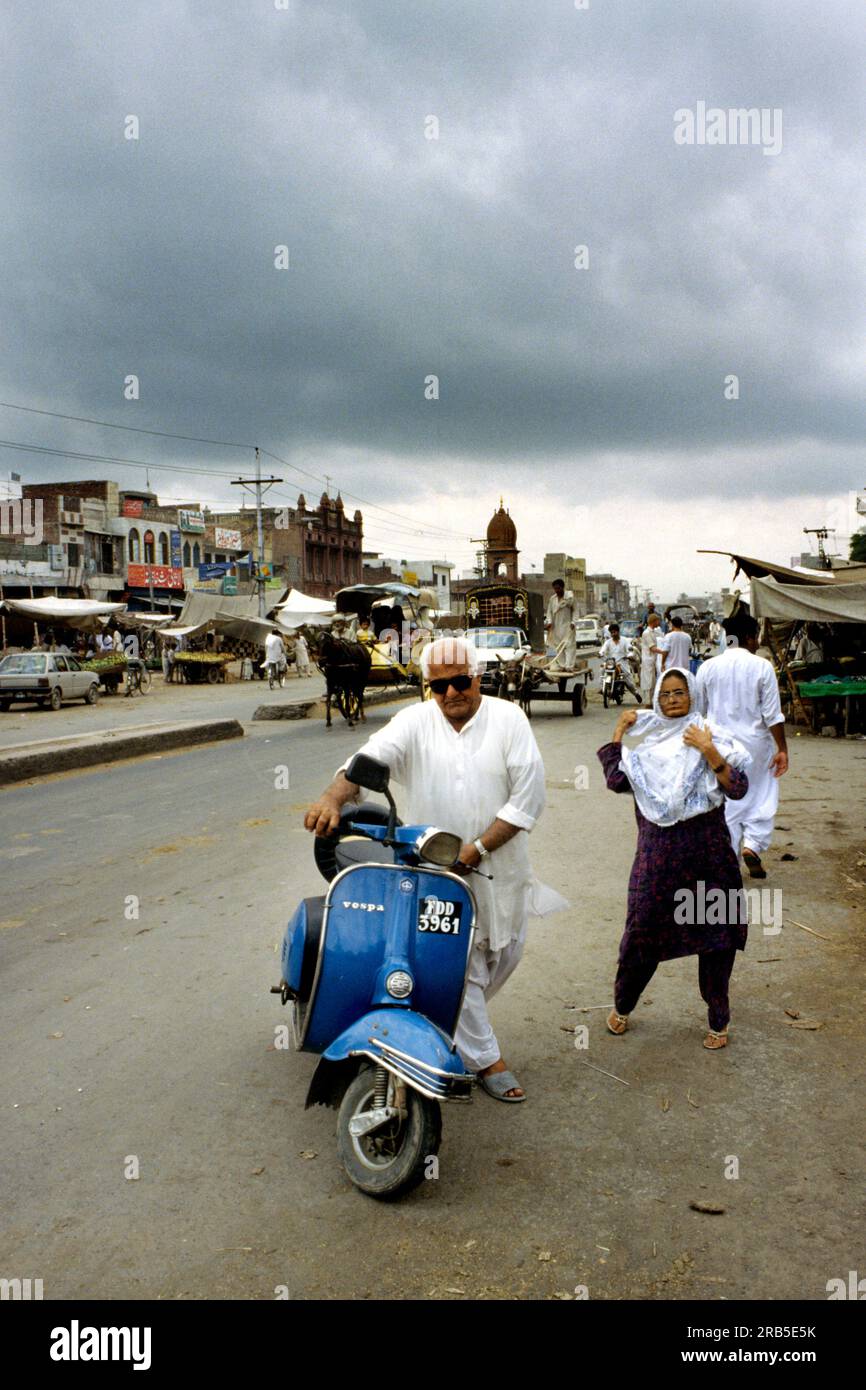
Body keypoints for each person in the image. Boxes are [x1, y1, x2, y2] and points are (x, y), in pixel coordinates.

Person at [304, 635, 547, 1102]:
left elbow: (528, 799)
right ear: (427, 689)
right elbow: (366, 762)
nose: (452, 694)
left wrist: (476, 849)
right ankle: (486, 1059)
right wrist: (333, 796)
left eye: (461, 682)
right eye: (440, 687)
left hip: (503, 866)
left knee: (506, 952)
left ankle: (445, 1019)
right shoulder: (414, 722)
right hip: (434, 873)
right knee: (458, 964)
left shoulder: (509, 719)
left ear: (478, 678)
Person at [598, 668, 751, 1049]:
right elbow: (616, 780)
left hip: (710, 860)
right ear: (655, 699)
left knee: (717, 940)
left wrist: (708, 749)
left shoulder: (711, 735)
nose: (671, 700)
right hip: (658, 863)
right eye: (664, 694)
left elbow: (738, 788)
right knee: (642, 936)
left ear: (693, 695)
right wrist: (619, 732)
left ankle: (719, 1021)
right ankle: (622, 1006)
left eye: (679, 692)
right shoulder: (645, 746)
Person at [695, 616, 788, 880]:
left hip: (719, 747)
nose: (757, 641)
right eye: (756, 636)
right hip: (756, 745)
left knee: (726, 801)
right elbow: (773, 715)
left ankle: (729, 858)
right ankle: (753, 845)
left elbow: (700, 713)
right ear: (749, 637)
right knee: (761, 795)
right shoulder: (762, 667)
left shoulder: (707, 668)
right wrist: (782, 748)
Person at [599, 622, 641, 704]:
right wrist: (600, 654)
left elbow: (630, 650)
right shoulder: (608, 642)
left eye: (614, 632)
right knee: (602, 669)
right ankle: (602, 688)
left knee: (628, 680)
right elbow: (602, 650)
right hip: (611, 663)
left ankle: (635, 693)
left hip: (622, 663)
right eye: (611, 632)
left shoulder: (624, 640)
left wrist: (629, 655)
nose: (613, 634)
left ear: (618, 632)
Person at [544, 579, 577, 669]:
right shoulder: (552, 599)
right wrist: (549, 623)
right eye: (555, 589)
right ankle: (562, 665)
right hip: (555, 627)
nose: (557, 591)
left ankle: (569, 666)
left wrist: (573, 622)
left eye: (558, 588)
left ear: (563, 587)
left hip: (567, 626)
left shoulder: (570, 597)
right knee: (557, 647)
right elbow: (549, 613)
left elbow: (575, 611)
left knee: (569, 646)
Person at [639, 612, 664, 704]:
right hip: (648, 660)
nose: (659, 622)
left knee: (655, 681)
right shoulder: (646, 633)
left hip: (655, 660)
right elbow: (652, 648)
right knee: (649, 681)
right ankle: (648, 702)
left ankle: (653, 701)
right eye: (658, 620)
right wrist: (663, 652)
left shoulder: (656, 631)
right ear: (654, 621)